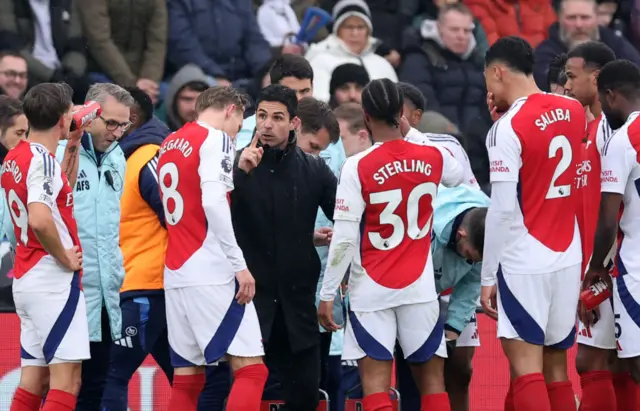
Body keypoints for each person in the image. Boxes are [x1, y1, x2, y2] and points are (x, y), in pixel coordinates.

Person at [318, 78, 464, 411]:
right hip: (419, 286)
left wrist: (327, 294)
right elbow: (457, 175)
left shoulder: (356, 166)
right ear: (401, 114)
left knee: (375, 387)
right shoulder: (431, 154)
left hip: (371, 287)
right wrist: (411, 132)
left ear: (366, 117)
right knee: (432, 386)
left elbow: (343, 237)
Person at [480, 36, 586, 411]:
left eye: (487, 81)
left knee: (526, 369)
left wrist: (488, 276)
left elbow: (503, 209)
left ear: (497, 72)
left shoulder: (506, 129)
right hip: (567, 252)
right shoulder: (572, 108)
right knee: (556, 367)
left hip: (524, 257)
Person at [157, 86, 268, 411]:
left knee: (187, 379)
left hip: (177, 270)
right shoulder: (215, 138)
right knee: (252, 371)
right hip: (210, 268)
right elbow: (213, 201)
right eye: (239, 124)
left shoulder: (170, 142)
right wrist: (239, 264)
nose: (237, 133)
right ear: (231, 109)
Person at [231, 84, 338, 411]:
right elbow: (210, 219)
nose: (266, 124)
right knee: (239, 393)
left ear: (294, 124)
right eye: (262, 116)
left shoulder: (315, 169)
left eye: (277, 117)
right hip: (247, 302)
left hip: (297, 306)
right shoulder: (234, 165)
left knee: (305, 400)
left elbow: (348, 220)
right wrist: (237, 174)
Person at [4, 83, 87, 411]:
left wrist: (73, 147)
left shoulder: (17, 155)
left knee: (34, 381)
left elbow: (58, 196)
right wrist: (64, 256)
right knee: (67, 381)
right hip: (51, 279)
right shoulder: (42, 161)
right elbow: (40, 218)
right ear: (63, 118)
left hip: (26, 277)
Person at [54, 83, 133, 411]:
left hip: (104, 293)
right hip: (65, 289)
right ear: (88, 113)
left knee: (96, 384)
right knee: (59, 387)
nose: (116, 132)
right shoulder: (59, 151)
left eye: (124, 125)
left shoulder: (119, 158)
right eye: (110, 123)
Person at [100, 87, 174, 410]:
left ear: (130, 121)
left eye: (115, 121)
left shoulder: (148, 156)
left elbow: (175, 215)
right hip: (135, 285)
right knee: (188, 377)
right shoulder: (120, 158)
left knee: (112, 375)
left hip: (146, 288)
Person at [562, 41, 624, 411]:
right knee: (618, 364)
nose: (567, 86)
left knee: (590, 362)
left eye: (572, 76)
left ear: (596, 78)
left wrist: (597, 271)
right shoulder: (589, 132)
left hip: (609, 264)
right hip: (599, 262)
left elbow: (615, 209)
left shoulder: (608, 134)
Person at [585, 59, 640, 411]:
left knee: (636, 365)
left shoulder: (622, 141)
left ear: (609, 94)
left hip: (636, 270)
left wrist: (594, 269)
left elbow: (608, 221)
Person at [398, 82, 479, 189]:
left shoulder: (449, 145)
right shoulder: (371, 150)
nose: (388, 117)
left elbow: (473, 194)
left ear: (416, 116)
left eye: (397, 112)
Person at [236, 54, 314, 150]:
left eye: (304, 91)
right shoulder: (247, 130)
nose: (298, 99)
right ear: (273, 88)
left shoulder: (324, 129)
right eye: (290, 92)